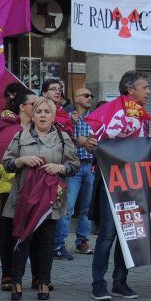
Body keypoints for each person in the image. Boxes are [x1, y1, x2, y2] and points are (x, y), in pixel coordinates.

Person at [1, 97, 78, 300]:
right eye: (39, 112)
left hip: (50, 199)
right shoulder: (20, 136)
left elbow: (73, 166)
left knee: (46, 241)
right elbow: (6, 163)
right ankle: (17, 281)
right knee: (21, 237)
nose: (43, 115)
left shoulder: (63, 138)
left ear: (53, 116)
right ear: (32, 115)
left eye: (47, 112)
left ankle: (44, 281)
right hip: (24, 198)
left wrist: (60, 167)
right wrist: (21, 160)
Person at [85, 70, 151, 300]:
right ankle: (98, 283)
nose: (149, 91)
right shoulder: (114, 111)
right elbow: (93, 134)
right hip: (111, 180)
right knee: (108, 233)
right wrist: (87, 141)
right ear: (130, 89)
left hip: (134, 182)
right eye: (145, 87)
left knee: (129, 233)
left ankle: (120, 281)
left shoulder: (143, 116)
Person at [0, 88, 38, 291]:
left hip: (37, 189)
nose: (39, 108)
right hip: (10, 188)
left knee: (37, 232)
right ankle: (8, 274)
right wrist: (18, 172)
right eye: (34, 104)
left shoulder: (44, 128)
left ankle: (39, 275)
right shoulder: (7, 129)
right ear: (22, 107)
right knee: (8, 233)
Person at [54, 85, 96, 260]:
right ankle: (59, 243)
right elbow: (62, 140)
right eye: (85, 95)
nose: (90, 98)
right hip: (74, 168)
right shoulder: (69, 117)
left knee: (87, 208)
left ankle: (82, 241)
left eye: (91, 95)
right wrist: (78, 141)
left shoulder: (95, 119)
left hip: (91, 166)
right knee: (67, 207)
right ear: (76, 98)